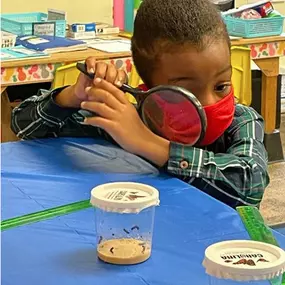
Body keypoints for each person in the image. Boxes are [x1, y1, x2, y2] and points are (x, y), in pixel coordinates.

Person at [11, 0, 269, 208]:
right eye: (186, 92)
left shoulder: (242, 120)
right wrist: (70, 97)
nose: (208, 103)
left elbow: (250, 185)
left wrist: (146, 142)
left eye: (221, 86)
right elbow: (23, 125)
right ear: (149, 90)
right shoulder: (129, 118)